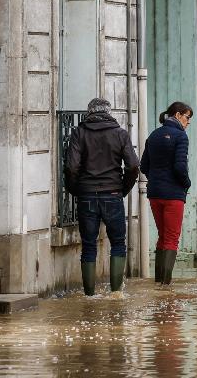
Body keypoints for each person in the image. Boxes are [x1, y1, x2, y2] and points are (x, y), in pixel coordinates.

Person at [64, 97, 139, 295]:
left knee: (88, 245)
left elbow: (71, 167)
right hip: (113, 193)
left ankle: (89, 295)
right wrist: (122, 189)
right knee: (118, 243)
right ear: (109, 112)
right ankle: (116, 294)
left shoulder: (79, 133)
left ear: (89, 112)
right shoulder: (120, 134)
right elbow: (133, 166)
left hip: (87, 194)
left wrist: (76, 189)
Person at [140, 101, 193, 286]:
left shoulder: (154, 135)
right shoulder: (181, 137)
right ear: (178, 115)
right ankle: (166, 286)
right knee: (171, 238)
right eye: (187, 117)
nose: (188, 122)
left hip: (155, 194)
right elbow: (180, 167)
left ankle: (158, 283)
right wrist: (186, 184)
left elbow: (144, 166)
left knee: (162, 236)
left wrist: (156, 179)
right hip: (173, 195)